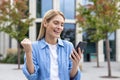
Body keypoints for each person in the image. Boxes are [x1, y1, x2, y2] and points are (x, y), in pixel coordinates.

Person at [21, 9, 82, 80]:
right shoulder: (34, 47)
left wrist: (75, 64)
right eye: (56, 23)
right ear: (45, 23)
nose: (59, 27)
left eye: (62, 24)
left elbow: (72, 77)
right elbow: (32, 77)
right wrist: (28, 52)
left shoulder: (68, 46)